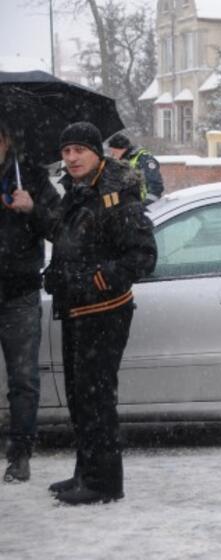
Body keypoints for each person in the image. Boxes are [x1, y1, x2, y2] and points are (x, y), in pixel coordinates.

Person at [11, 122, 156, 505]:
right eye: (66, 151)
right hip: (76, 308)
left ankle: (104, 483)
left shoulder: (115, 195)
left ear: (96, 152)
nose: (72, 158)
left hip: (104, 311)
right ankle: (86, 472)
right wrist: (32, 210)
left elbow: (143, 256)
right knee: (80, 398)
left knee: (97, 399)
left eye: (79, 150)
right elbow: (62, 232)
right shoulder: (79, 191)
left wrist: (98, 278)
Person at [0, 121, 61, 483]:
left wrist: (32, 208)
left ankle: (20, 455)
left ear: (6, 140)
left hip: (19, 293)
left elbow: (59, 227)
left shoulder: (31, 177)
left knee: (23, 378)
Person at [107, 132, 164, 204]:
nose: (112, 155)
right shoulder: (121, 162)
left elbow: (155, 183)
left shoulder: (143, 158)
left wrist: (147, 203)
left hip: (146, 205)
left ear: (122, 149)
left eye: (114, 152)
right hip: (130, 206)